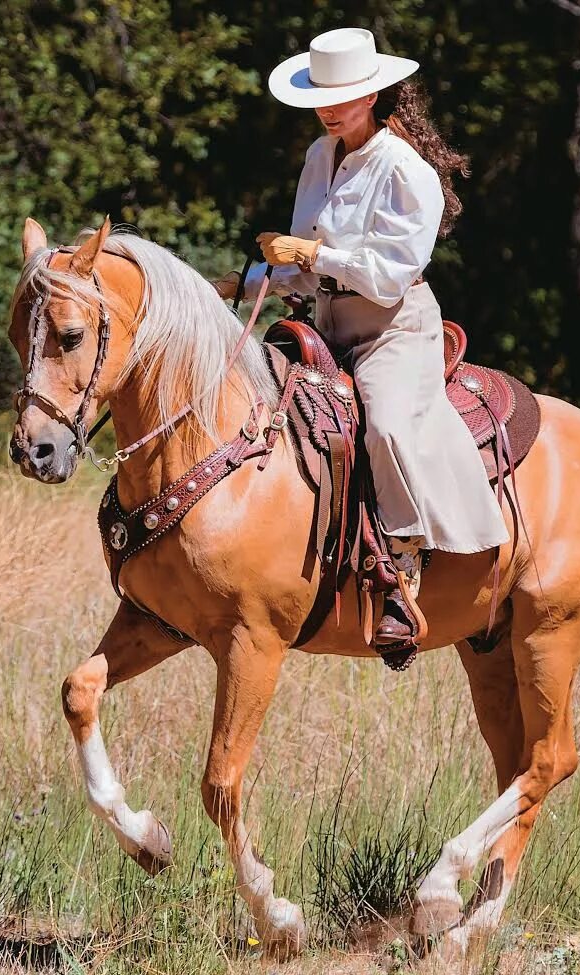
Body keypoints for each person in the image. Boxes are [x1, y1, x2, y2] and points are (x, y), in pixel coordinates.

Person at [214, 27, 509, 645]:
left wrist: (317, 254)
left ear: (374, 95)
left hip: (392, 329)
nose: (328, 106)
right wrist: (241, 283)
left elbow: (390, 274)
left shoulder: (406, 171)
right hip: (324, 323)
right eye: (321, 94)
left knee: (387, 424)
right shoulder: (319, 157)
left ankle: (401, 568)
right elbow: (300, 267)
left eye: (342, 94)